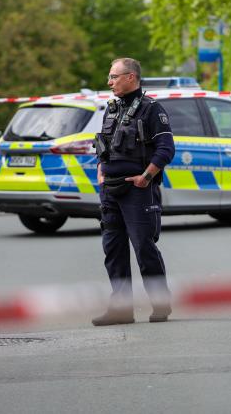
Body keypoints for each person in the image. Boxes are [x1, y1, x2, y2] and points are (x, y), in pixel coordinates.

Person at [92, 58, 175, 325]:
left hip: (138, 190)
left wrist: (146, 177)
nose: (109, 82)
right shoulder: (112, 109)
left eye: (114, 76)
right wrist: (101, 171)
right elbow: (105, 145)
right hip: (111, 191)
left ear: (131, 77)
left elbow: (166, 149)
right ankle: (121, 309)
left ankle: (160, 305)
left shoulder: (152, 110)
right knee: (113, 251)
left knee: (144, 248)